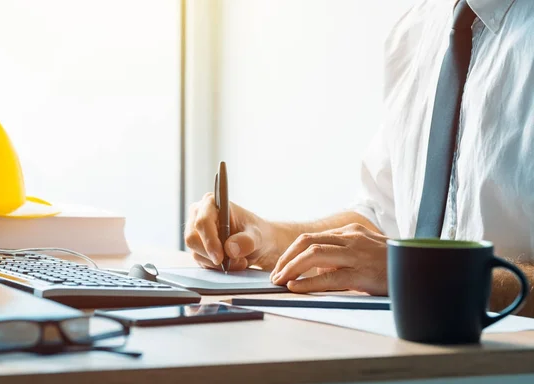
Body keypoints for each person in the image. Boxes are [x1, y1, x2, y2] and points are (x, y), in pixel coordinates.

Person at [184, 0, 534, 317]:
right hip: (404, 359)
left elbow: (394, 261)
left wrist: (418, 273)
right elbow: (383, 221)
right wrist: (268, 238)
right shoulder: (415, 32)